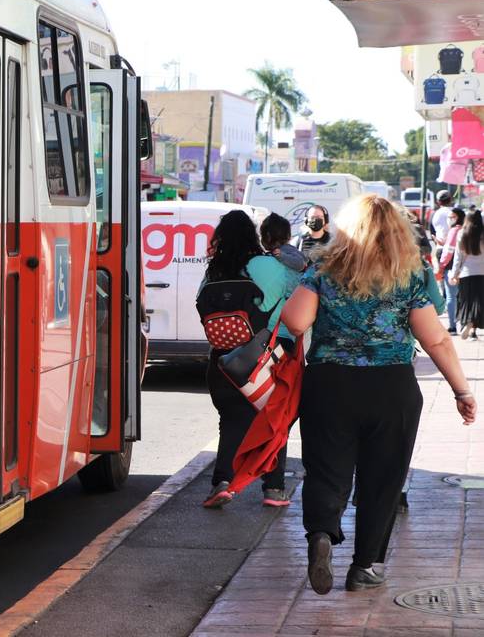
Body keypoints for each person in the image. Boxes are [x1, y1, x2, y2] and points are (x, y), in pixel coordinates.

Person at [280, 194, 476, 595]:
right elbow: (436, 339)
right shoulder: (409, 275)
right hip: (392, 388)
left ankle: (321, 532)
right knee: (383, 480)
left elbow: (297, 321)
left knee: (326, 470)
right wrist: (461, 390)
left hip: (330, 384)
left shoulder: (322, 268)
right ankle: (366, 566)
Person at [199, 210, 298, 509]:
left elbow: (202, 308)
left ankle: (222, 482)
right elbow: (301, 302)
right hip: (268, 357)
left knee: (230, 421)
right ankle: (274, 489)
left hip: (224, 361)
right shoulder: (271, 266)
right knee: (274, 421)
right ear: (254, 236)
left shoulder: (213, 270)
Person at [451, 209, 484, 340]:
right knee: (480, 302)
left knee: (466, 301)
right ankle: (473, 331)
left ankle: (466, 323)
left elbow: (458, 258)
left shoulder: (461, 234)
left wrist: (454, 274)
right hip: (482, 273)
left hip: (466, 273)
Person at [435, 207, 466, 333]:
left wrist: (441, 267)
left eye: (452, 216)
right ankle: (464, 323)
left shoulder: (454, 231)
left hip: (451, 268)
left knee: (451, 297)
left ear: (458, 217)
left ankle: (453, 326)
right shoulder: (465, 230)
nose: (449, 219)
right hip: (465, 269)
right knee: (462, 297)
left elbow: (448, 252)